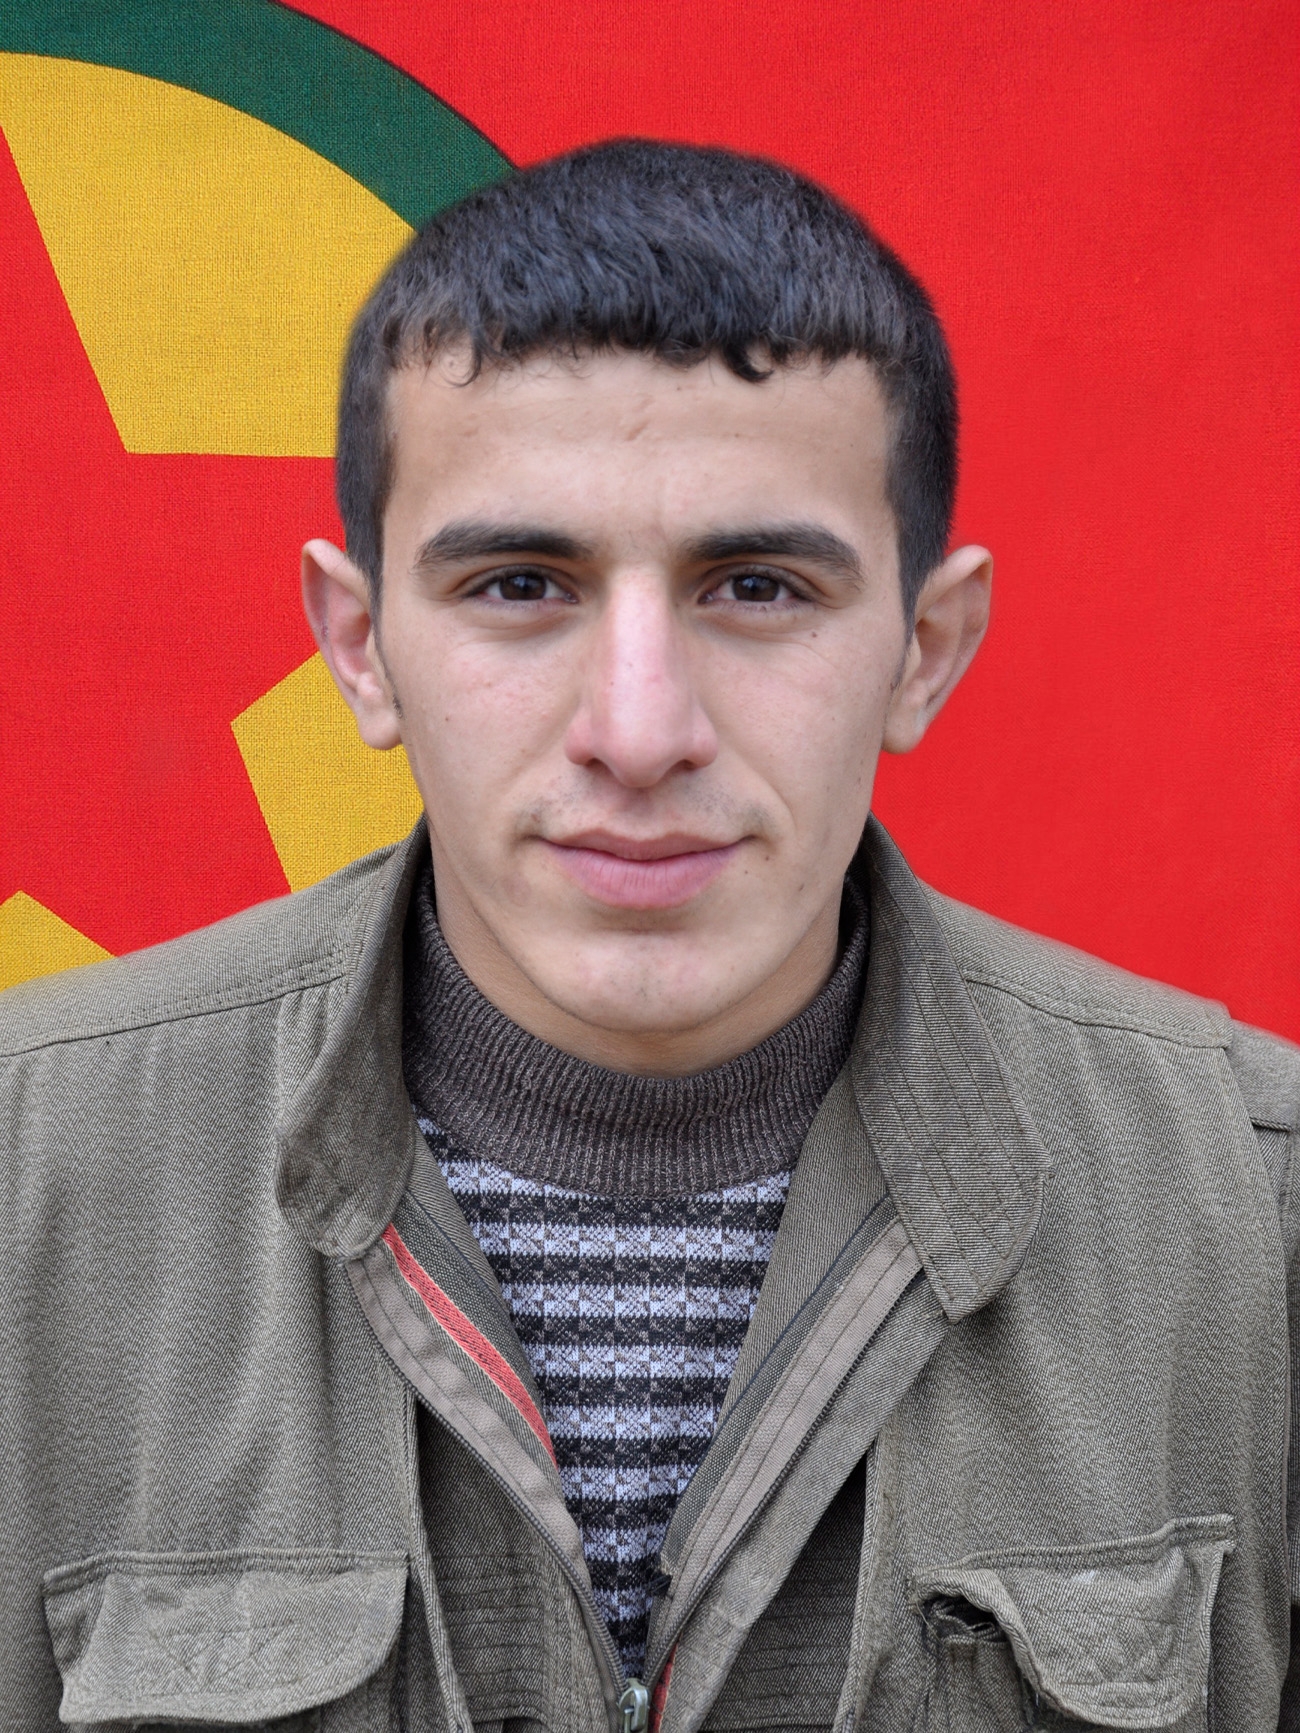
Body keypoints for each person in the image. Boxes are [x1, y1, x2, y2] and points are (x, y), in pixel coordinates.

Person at [1, 139, 1297, 1733]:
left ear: (924, 647)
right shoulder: (23, 1179)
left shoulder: (1259, 1219)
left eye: (756, 586)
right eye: (518, 584)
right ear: (361, 646)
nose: (637, 729)